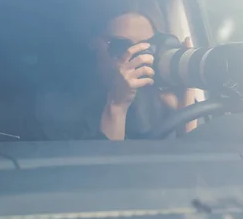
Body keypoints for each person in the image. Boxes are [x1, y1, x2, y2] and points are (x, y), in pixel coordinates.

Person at [36, 11, 197, 141]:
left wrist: (187, 94)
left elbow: (198, 167)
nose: (135, 57)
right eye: (121, 46)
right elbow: (100, 176)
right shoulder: (59, 109)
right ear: (94, 44)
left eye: (145, 48)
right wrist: (117, 105)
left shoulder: (165, 97)